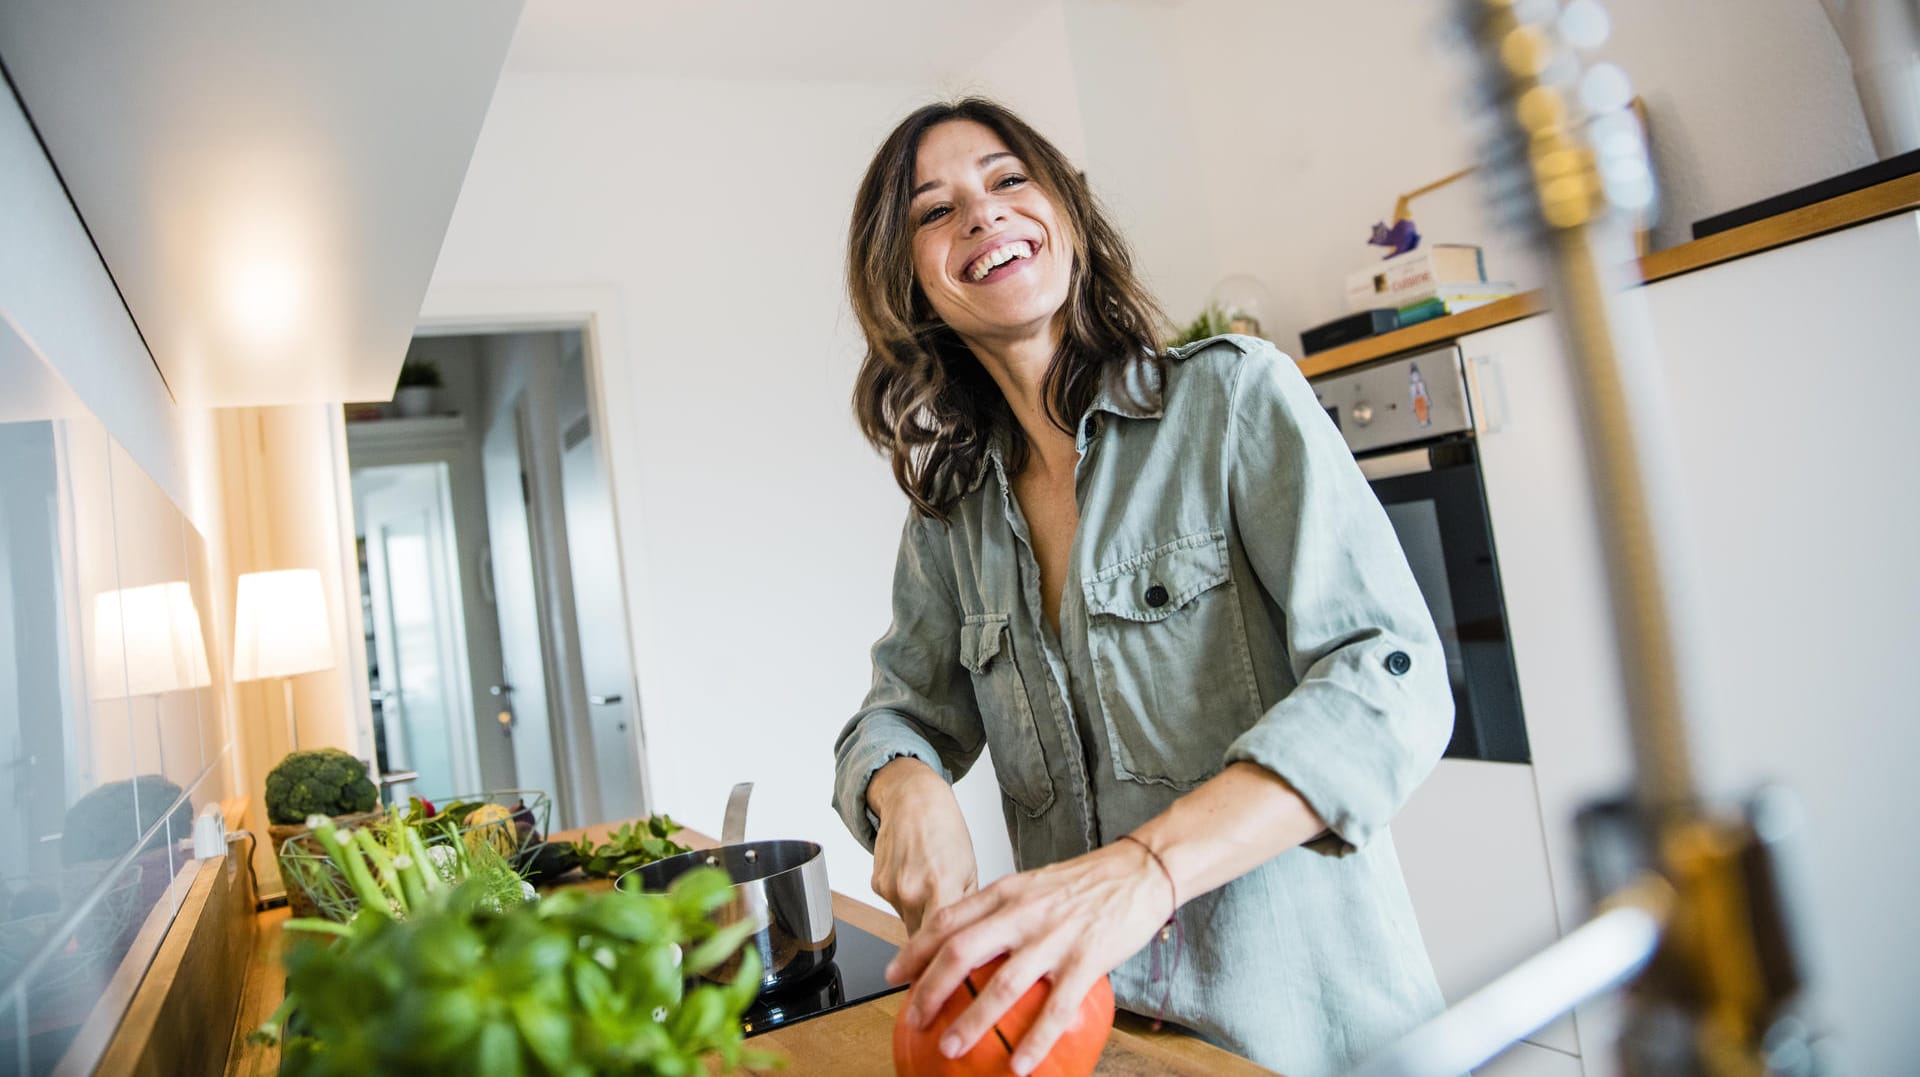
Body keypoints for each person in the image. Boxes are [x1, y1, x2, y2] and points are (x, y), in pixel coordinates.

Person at [831, 97, 1454, 1077]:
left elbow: (1393, 680)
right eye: (932, 212)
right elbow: (899, 710)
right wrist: (903, 781)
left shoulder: (1231, 398)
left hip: (1310, 1039)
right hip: (1095, 1044)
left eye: (1005, 181)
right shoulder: (950, 520)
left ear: (1067, 213)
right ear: (908, 285)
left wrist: (1147, 870)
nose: (981, 216)